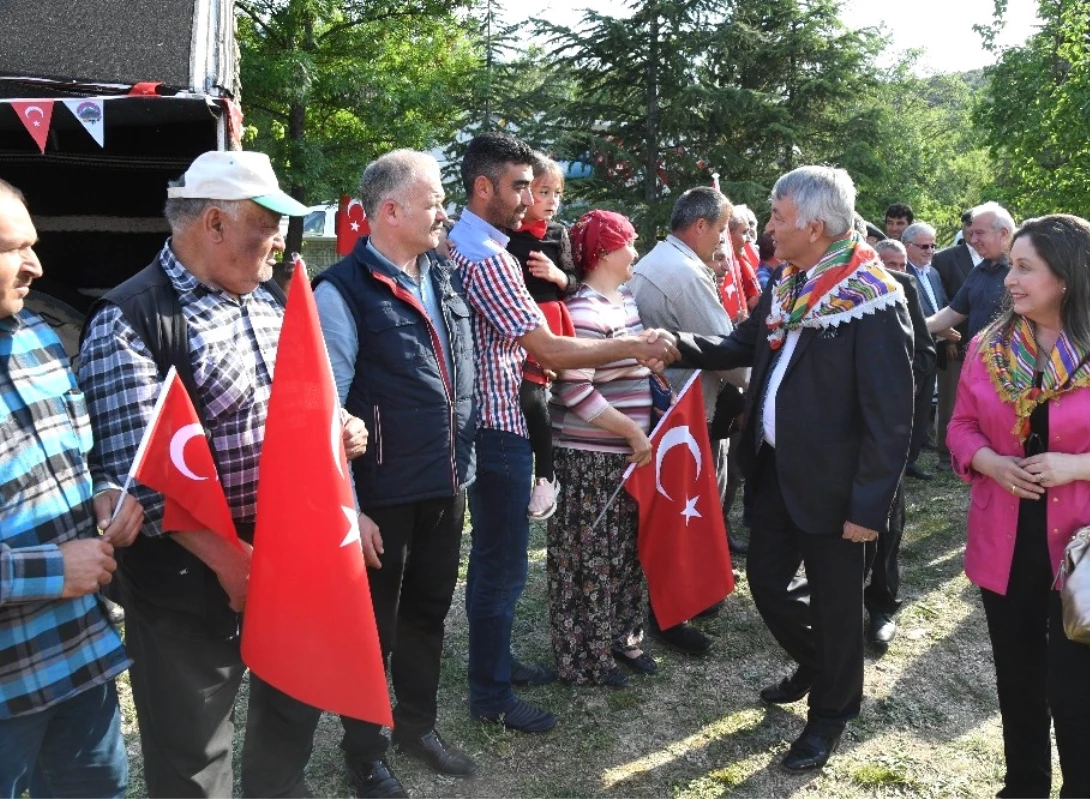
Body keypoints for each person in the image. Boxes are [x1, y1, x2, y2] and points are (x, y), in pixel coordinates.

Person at [78, 151, 368, 799]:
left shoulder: (267, 301)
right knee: (193, 756)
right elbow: (136, 479)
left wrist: (339, 426)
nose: (279, 243)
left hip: (289, 554)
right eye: (266, 225)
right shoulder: (129, 320)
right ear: (213, 223)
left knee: (290, 717)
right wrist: (233, 563)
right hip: (187, 581)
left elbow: (305, 401)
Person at [673, 166, 914, 772]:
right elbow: (737, 345)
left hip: (837, 488)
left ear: (814, 223)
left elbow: (892, 418)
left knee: (838, 606)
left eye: (777, 216)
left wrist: (868, 510)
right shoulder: (789, 283)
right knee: (768, 586)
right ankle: (819, 661)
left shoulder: (872, 295)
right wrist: (670, 342)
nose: (768, 226)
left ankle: (830, 716)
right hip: (777, 469)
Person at [447, 132, 677, 734]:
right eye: (520, 185)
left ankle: (497, 667)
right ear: (483, 187)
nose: (531, 199)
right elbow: (548, 349)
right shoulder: (487, 257)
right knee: (501, 569)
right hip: (500, 428)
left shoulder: (475, 247)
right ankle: (492, 694)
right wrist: (633, 345)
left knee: (499, 564)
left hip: (501, 422)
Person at [947, 214, 1090, 799]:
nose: (1010, 280)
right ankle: (1023, 786)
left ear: (1068, 277)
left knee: (1078, 694)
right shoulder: (991, 346)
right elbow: (961, 427)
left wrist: (1075, 466)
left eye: (1026, 268)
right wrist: (990, 463)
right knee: (1018, 683)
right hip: (1007, 544)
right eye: (1013, 267)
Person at [313, 150, 478, 797]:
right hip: (380, 495)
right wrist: (349, 507)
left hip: (446, 481)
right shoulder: (341, 292)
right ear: (390, 211)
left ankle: (418, 725)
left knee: (429, 613)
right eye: (435, 200)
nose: (445, 211)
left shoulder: (443, 272)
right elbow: (328, 412)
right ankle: (365, 752)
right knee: (371, 631)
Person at [0, 179, 145, 798]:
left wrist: (106, 493)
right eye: (10, 248)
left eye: (32, 245)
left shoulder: (38, 339)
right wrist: (51, 570)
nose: (35, 264)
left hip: (77, 657)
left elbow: (79, 459)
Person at [628, 186, 749, 654]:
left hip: (673, 411)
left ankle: (687, 595)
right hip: (685, 413)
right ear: (699, 227)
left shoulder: (663, 261)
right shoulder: (681, 274)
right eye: (720, 231)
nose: (723, 243)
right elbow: (729, 356)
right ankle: (675, 607)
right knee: (685, 512)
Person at [546, 209, 656, 689]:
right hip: (591, 460)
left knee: (624, 554)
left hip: (623, 461)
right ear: (608, 251)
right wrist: (631, 432)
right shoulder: (585, 313)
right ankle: (585, 657)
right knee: (588, 558)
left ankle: (621, 636)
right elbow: (574, 391)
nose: (636, 252)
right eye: (630, 243)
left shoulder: (626, 301)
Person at [868, 238, 936, 646]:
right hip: (834, 431)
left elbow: (925, 355)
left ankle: (881, 605)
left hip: (886, 424)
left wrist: (890, 387)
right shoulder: (818, 288)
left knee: (888, 519)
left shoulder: (901, 288)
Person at [506, 153, 578, 520]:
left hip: (550, 321)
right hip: (516, 326)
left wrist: (557, 275)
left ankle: (548, 475)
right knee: (529, 398)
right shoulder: (506, 235)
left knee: (542, 397)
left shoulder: (557, 234)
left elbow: (574, 283)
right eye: (543, 191)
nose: (552, 201)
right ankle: (543, 473)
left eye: (558, 194)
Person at [926, 201, 1015, 356]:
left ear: (1003, 233)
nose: (973, 240)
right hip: (980, 362)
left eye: (979, 233)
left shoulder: (1020, 270)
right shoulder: (979, 271)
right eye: (972, 233)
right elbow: (954, 312)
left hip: (1013, 366)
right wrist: (916, 327)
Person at [931, 209, 982, 467]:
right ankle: (945, 454)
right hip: (955, 341)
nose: (974, 235)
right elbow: (943, 300)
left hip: (989, 347)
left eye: (979, 230)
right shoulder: (945, 259)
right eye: (970, 229)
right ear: (963, 229)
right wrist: (947, 338)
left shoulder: (1003, 260)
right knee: (950, 400)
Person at [900, 222, 947, 480]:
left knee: (923, 408)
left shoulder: (933, 274)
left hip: (932, 349)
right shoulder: (901, 273)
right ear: (908, 246)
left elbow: (942, 306)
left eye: (933, 245)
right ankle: (902, 459)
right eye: (924, 246)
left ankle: (912, 459)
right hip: (911, 350)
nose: (930, 251)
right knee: (909, 406)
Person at [728, 205, 763, 313]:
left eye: (752, 225)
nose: (747, 238)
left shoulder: (743, 257)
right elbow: (753, 301)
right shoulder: (731, 263)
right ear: (729, 234)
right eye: (744, 232)